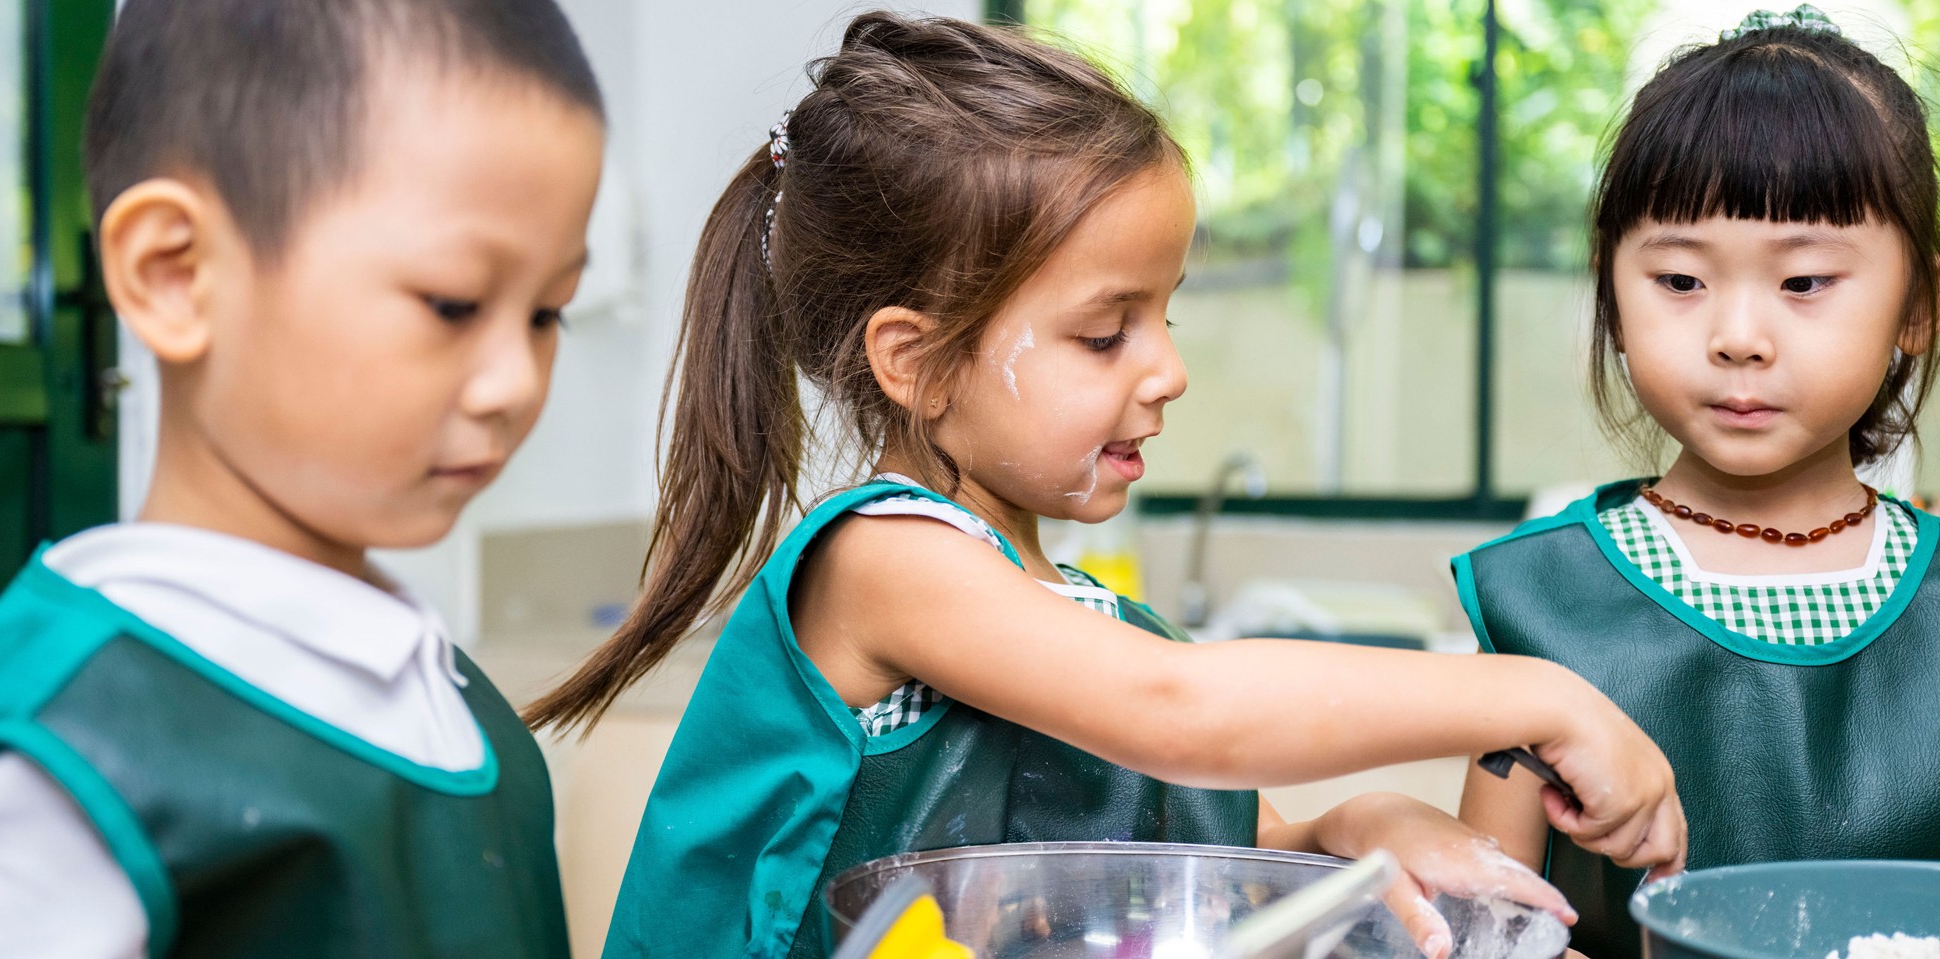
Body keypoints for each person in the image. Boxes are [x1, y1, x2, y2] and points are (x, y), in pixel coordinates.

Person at [525, 13, 1684, 959]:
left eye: (1163, 315)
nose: (1168, 370)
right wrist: (1537, 694)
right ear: (914, 361)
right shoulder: (883, 559)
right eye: (1102, 333)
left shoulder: (1077, 612)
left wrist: (1343, 828)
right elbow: (1178, 713)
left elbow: (1162, 846)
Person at [0, 1, 605, 955]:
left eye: (548, 313)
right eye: (453, 302)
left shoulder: (458, 705)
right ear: (176, 274)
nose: (516, 381)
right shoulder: (71, 762)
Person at [1454, 7, 1940, 955]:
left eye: (1804, 282)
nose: (1739, 335)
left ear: (1916, 306)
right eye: (1680, 280)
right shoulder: (1544, 604)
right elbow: (1487, 930)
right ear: (1612, 290)